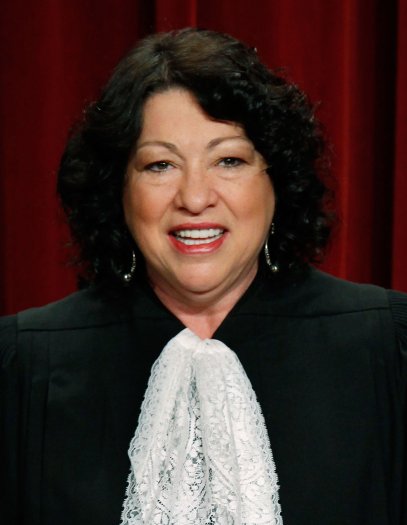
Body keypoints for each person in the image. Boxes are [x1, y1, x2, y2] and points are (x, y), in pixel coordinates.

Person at [0, 28, 406, 525]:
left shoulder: (387, 349)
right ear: (118, 190)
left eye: (229, 160)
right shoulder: (21, 369)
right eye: (160, 165)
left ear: (276, 179)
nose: (195, 197)